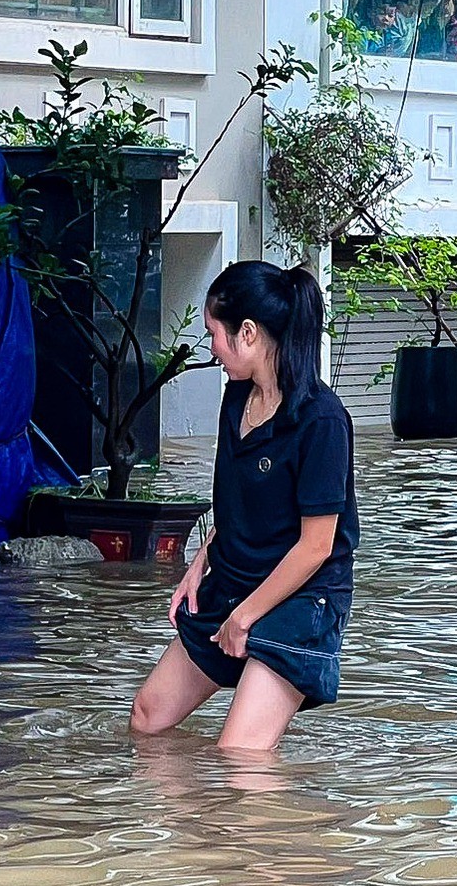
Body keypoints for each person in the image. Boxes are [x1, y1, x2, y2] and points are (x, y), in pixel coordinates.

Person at [129, 262, 358, 753]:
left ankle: (266, 831)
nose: (211, 348)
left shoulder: (322, 421)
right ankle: (190, 828)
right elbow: (238, 502)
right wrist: (201, 562)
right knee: (147, 719)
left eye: (214, 333)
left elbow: (317, 546)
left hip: (301, 597)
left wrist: (246, 617)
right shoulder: (236, 399)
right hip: (234, 579)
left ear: (247, 333)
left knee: (238, 756)